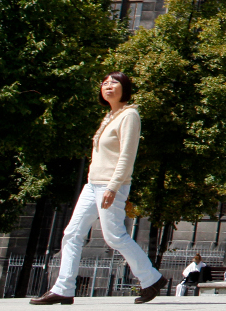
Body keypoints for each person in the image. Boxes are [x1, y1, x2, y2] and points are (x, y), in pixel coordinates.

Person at [32, 72, 166, 306]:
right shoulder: (110, 116)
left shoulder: (129, 115)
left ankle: (151, 279)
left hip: (110, 185)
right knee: (72, 234)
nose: (108, 86)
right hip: (93, 184)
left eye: (114, 82)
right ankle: (64, 288)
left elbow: (127, 155)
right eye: (104, 83)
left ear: (125, 89)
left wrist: (113, 187)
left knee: (114, 236)